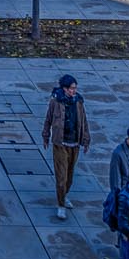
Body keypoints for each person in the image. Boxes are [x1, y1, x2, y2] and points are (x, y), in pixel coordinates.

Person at [41, 74, 91, 220]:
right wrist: (46, 136)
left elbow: (84, 121)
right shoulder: (56, 102)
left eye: (75, 88)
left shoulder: (79, 102)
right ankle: (61, 204)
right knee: (61, 176)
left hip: (74, 143)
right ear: (64, 88)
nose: (73, 91)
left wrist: (86, 139)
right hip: (60, 143)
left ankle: (64, 195)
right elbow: (48, 119)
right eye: (71, 89)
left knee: (69, 176)